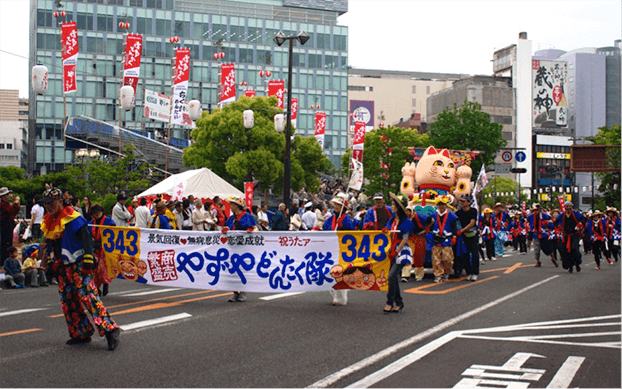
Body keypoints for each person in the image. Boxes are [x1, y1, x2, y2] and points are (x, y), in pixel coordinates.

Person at [40, 186, 120, 350]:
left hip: (78, 264)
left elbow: (87, 241)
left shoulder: (74, 218)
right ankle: (80, 332)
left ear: (60, 201)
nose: (48, 206)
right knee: (68, 301)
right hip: (62, 267)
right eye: (46, 203)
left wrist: (88, 261)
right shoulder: (49, 220)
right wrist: (48, 262)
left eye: (51, 202)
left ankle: (110, 330)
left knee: (89, 298)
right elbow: (49, 244)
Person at [383, 193, 414, 313]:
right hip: (391, 249)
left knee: (391, 276)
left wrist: (396, 251)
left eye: (393, 204)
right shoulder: (391, 220)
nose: (392, 206)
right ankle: (399, 302)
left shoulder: (405, 221)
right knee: (393, 278)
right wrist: (385, 231)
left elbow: (405, 239)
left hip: (401, 250)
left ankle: (389, 302)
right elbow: (387, 232)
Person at [222, 196, 257, 303]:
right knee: (232, 270)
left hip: (244, 247)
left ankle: (243, 291)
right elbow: (227, 227)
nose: (230, 206)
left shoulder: (247, 216)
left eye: (232, 204)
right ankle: (234, 293)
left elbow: (255, 228)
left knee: (242, 269)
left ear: (237, 206)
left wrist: (252, 230)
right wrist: (225, 230)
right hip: (232, 247)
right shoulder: (231, 218)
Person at [324, 193, 355, 306]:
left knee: (339, 272)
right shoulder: (331, 218)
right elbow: (325, 227)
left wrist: (344, 226)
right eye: (335, 204)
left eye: (338, 205)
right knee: (330, 272)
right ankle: (336, 295)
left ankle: (340, 298)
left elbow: (352, 232)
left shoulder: (347, 219)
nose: (335, 206)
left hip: (343, 248)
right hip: (331, 248)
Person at [427, 195, 458, 283]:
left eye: (443, 204)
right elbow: (429, 227)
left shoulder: (451, 215)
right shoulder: (433, 215)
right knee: (436, 259)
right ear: (437, 205)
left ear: (446, 205)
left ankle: (446, 272)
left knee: (448, 259)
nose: (441, 206)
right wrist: (429, 234)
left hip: (446, 239)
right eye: (439, 204)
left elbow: (454, 227)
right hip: (436, 239)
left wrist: (454, 237)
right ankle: (438, 275)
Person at [89, 204, 116, 296]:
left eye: (98, 212)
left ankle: (105, 283)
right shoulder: (91, 223)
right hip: (95, 248)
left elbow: (114, 233)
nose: (96, 214)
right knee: (95, 270)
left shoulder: (109, 221)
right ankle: (97, 287)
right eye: (94, 213)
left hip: (105, 248)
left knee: (102, 269)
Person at [455, 195, 480, 281]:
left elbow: (472, 223)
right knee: (464, 254)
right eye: (461, 201)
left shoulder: (473, 211)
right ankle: (469, 272)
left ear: (469, 202)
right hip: (463, 236)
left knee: (474, 254)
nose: (462, 203)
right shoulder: (459, 212)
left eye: (464, 201)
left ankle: (475, 273)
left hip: (472, 235)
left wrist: (461, 231)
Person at [556, 201, 585, 273]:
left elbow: (584, 219)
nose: (568, 208)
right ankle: (570, 266)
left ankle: (577, 264)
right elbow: (556, 221)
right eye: (567, 206)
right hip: (566, 235)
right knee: (566, 251)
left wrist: (580, 224)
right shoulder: (562, 215)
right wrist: (559, 226)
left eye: (569, 206)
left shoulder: (576, 214)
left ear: (572, 207)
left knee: (574, 249)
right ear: (564, 207)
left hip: (574, 235)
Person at [1, 187, 20, 266]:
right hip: (4, 225)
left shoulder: (7, 204)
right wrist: (15, 203)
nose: (9, 195)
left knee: (9, 242)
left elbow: (14, 212)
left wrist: (16, 204)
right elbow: (10, 210)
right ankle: (3, 261)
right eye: (7, 194)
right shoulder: (2, 204)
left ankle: (7, 260)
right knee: (4, 243)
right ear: (3, 196)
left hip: (9, 224)